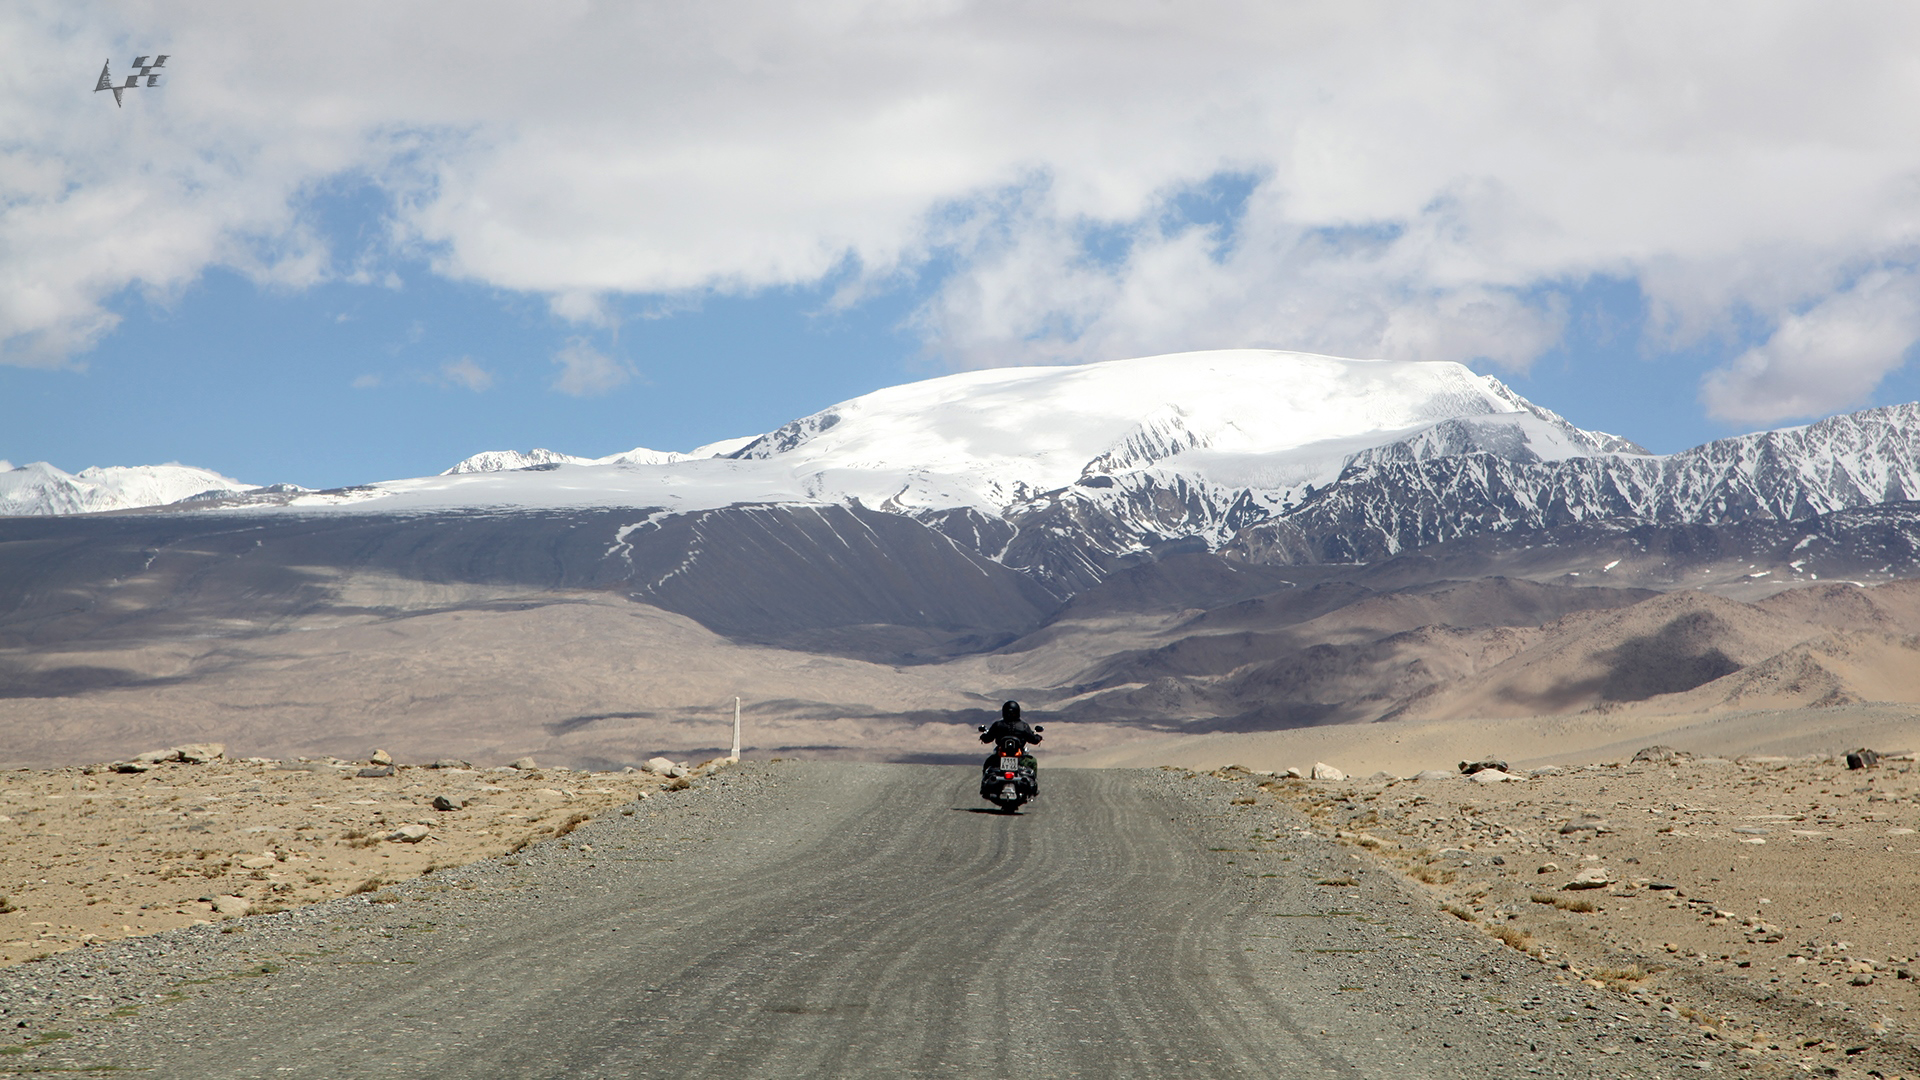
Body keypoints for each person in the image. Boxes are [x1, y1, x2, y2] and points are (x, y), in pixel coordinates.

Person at [980, 700, 1042, 791]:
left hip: (999, 757)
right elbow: (1033, 739)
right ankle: (1034, 787)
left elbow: (987, 739)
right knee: (1032, 762)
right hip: (1020, 758)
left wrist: (983, 736)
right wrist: (1038, 737)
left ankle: (984, 788)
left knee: (988, 764)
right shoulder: (1023, 726)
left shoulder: (998, 725)